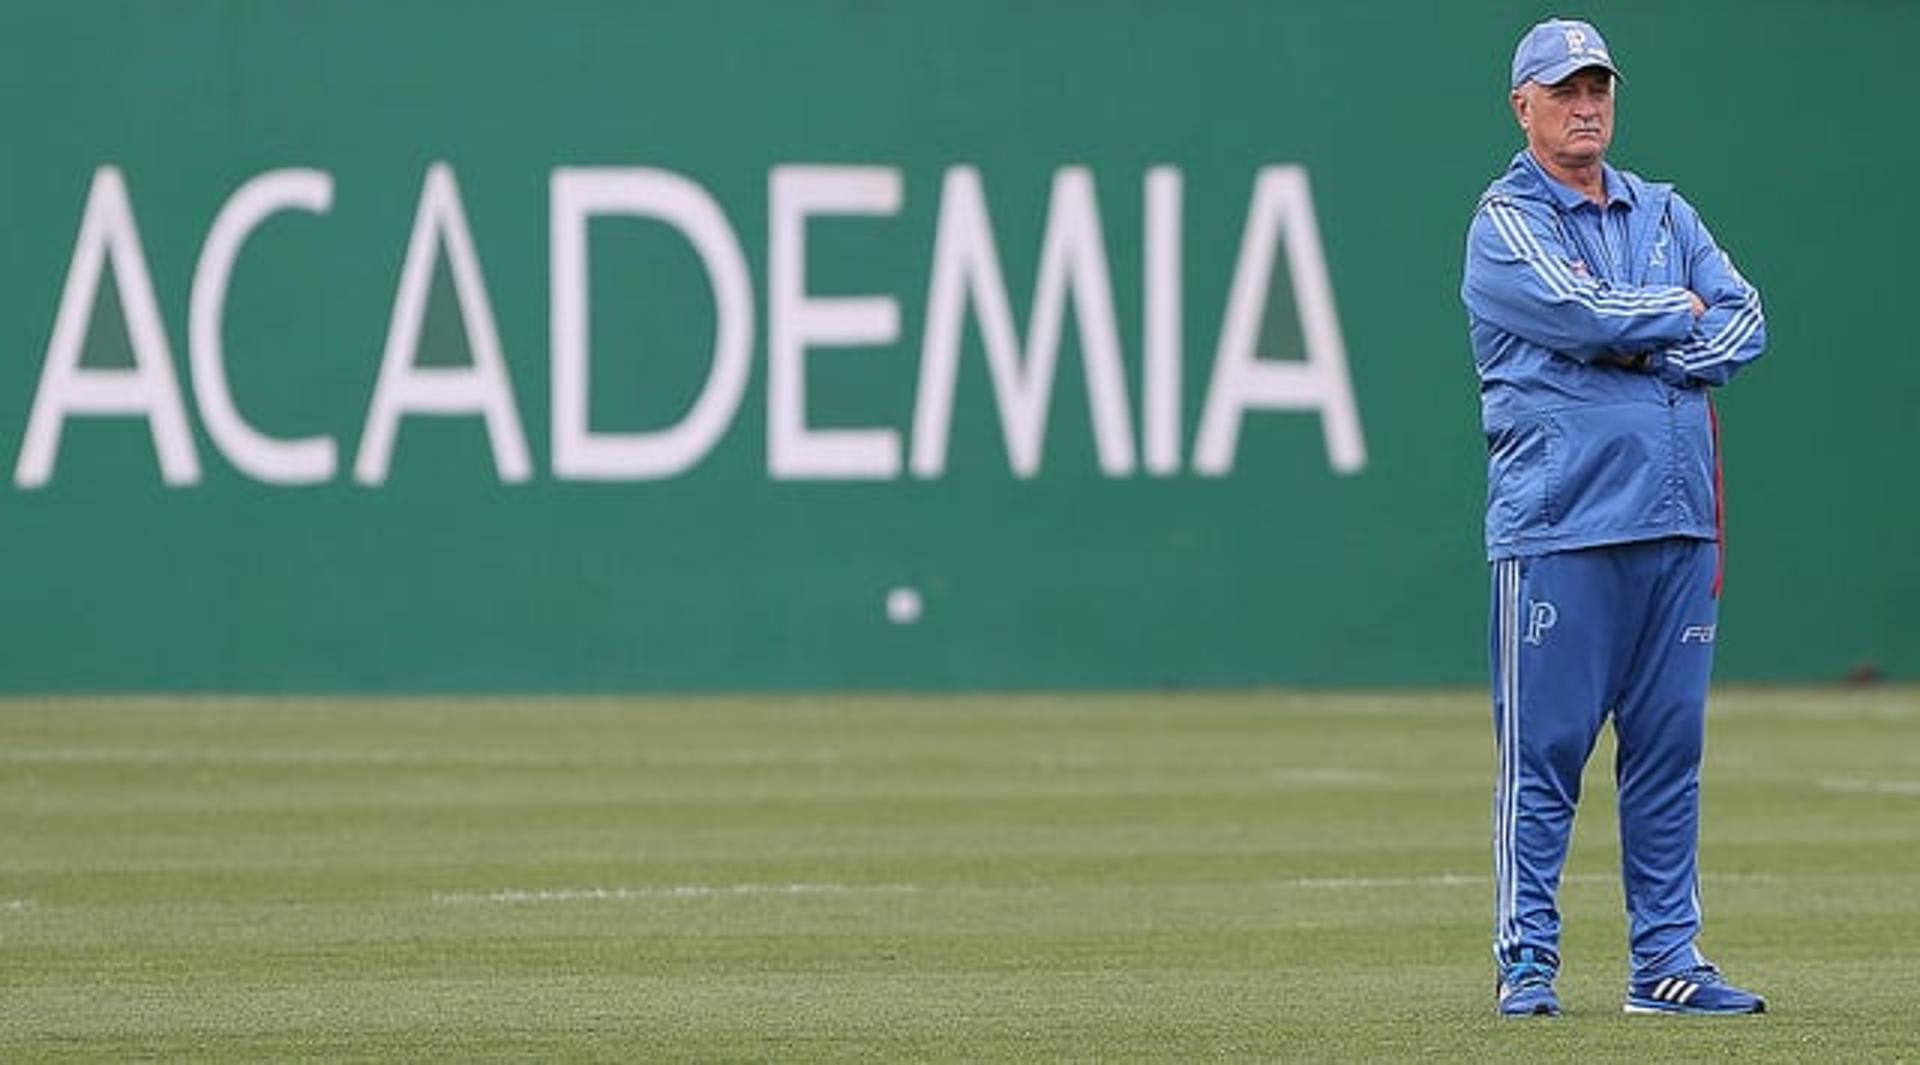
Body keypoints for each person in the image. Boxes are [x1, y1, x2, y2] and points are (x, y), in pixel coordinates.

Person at [1460, 18, 1767, 1017]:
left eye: (1597, 89)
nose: (1585, 106)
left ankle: (1665, 964)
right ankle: (1528, 961)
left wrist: (1657, 337)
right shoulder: (1504, 220)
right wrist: (1672, 315)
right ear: (1524, 106)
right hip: (1562, 525)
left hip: (1678, 521)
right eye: (1563, 91)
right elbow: (1579, 311)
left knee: (1668, 749)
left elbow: (1745, 315)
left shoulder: (1664, 209)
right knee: (1544, 757)